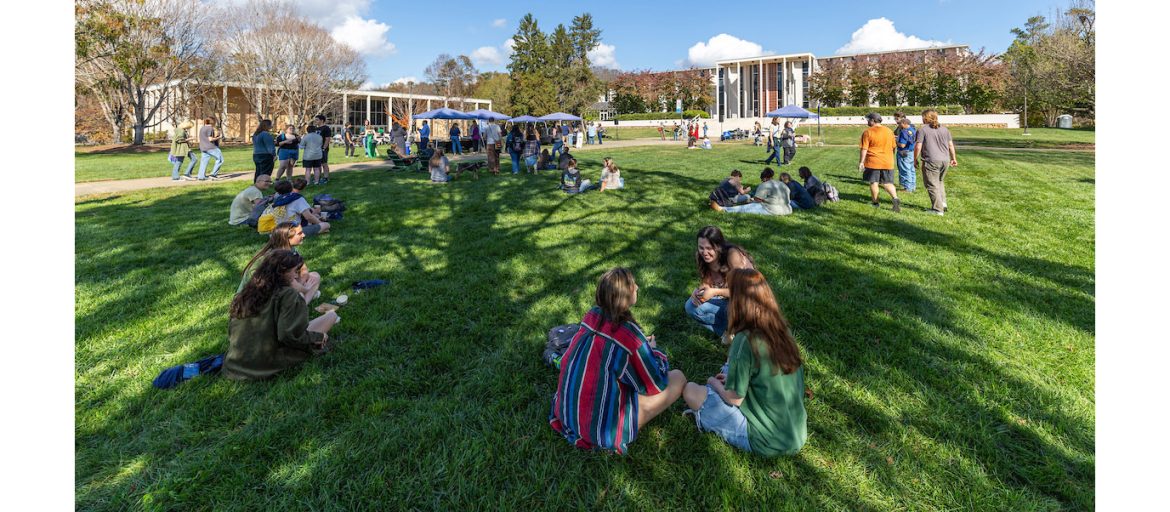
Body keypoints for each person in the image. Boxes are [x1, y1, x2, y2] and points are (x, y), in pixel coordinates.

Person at [549, 268, 687, 455]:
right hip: (600, 430)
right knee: (678, 378)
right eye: (633, 285)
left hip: (565, 412)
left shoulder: (592, 315)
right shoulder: (630, 336)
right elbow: (655, 384)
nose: (637, 286)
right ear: (625, 295)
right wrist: (653, 351)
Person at [682, 268, 807, 456]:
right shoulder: (782, 329)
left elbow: (734, 398)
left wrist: (713, 383)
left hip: (766, 440)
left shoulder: (745, 340)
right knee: (727, 372)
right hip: (796, 434)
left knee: (691, 391)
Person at [223, 250, 339, 381]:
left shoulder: (248, 292)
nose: (297, 276)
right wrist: (318, 337)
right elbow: (287, 335)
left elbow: (232, 331)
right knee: (331, 317)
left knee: (326, 319)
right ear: (282, 272)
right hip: (264, 364)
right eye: (295, 271)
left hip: (235, 363)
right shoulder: (287, 294)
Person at [684, 226, 755, 336]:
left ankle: (743, 332)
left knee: (735, 306)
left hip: (750, 304)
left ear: (719, 247)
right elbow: (706, 284)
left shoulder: (732, 255)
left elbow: (743, 291)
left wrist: (715, 292)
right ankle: (728, 333)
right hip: (730, 302)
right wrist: (698, 292)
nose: (704, 252)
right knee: (690, 306)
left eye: (709, 248)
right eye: (701, 247)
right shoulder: (702, 257)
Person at [238, 222, 321, 303]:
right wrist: (306, 289)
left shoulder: (289, 249)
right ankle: (302, 302)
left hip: (275, 288)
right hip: (255, 298)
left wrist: (301, 285)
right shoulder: (276, 258)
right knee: (297, 293)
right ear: (287, 238)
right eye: (300, 233)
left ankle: (302, 303)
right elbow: (291, 282)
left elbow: (303, 270)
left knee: (315, 276)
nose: (304, 235)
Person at [915, 109, 958, 216]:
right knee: (939, 181)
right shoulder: (945, 129)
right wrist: (953, 158)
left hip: (931, 160)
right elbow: (950, 145)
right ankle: (943, 203)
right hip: (945, 160)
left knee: (931, 185)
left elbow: (918, 146)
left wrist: (914, 158)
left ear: (925, 118)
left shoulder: (922, 130)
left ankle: (937, 209)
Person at [859, 112, 901, 212]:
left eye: (868, 119)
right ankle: (895, 198)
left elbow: (864, 148)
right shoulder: (889, 131)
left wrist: (861, 162)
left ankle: (875, 203)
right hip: (887, 161)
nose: (867, 121)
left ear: (873, 120)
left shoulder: (868, 132)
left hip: (873, 162)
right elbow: (893, 147)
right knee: (887, 183)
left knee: (874, 182)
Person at [716, 168, 794, 215]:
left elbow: (757, 200)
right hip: (787, 209)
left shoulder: (765, 185)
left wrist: (752, 200)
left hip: (772, 210)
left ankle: (724, 209)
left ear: (764, 178)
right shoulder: (782, 184)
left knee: (746, 208)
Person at [895, 117, 917, 193]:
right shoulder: (912, 130)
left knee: (905, 169)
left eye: (900, 123)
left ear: (904, 124)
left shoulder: (904, 132)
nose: (899, 125)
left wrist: (895, 141)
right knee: (911, 169)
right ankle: (912, 186)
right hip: (911, 151)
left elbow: (902, 145)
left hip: (904, 152)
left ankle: (907, 188)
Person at [315, 115, 332, 184]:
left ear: (322, 120)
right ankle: (318, 177)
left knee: (324, 163)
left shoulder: (326, 128)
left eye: (317, 120)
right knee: (317, 164)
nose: (315, 121)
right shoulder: (315, 129)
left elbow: (327, 139)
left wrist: (324, 148)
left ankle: (326, 177)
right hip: (316, 149)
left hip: (322, 149)